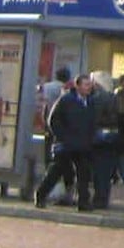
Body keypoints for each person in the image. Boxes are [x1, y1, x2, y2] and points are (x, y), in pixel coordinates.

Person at [34, 71, 98, 211]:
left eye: (90, 85)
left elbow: (93, 122)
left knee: (83, 174)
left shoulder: (90, 102)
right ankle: (40, 195)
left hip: (83, 145)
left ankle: (83, 202)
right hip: (66, 144)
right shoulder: (66, 100)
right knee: (56, 171)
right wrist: (63, 137)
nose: (89, 87)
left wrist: (90, 138)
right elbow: (53, 120)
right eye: (86, 85)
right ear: (78, 86)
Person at [90, 75, 124, 208]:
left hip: (100, 138)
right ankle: (104, 198)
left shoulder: (98, 98)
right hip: (113, 137)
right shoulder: (114, 97)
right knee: (107, 170)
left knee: (99, 170)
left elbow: (95, 118)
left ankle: (99, 198)